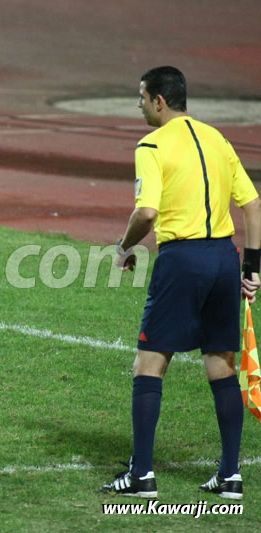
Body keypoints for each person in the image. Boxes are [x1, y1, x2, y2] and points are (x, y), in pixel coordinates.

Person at [101, 66, 261, 499]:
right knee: (221, 364)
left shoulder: (151, 143)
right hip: (224, 259)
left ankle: (142, 476)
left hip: (182, 260)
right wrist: (253, 268)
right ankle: (231, 475)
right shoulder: (218, 139)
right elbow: (252, 204)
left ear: (159, 102)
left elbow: (147, 213)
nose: (138, 105)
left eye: (141, 97)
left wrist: (123, 247)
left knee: (149, 363)